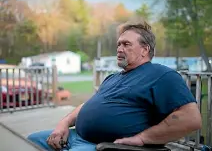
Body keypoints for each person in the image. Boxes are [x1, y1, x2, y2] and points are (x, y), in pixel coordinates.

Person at [27, 19, 202, 151]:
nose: (119, 49)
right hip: (74, 137)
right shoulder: (112, 78)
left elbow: (191, 119)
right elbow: (88, 106)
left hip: (106, 147)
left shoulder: (161, 75)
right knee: (27, 142)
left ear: (145, 49)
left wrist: (143, 138)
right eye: (118, 44)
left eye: (126, 44)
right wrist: (63, 124)